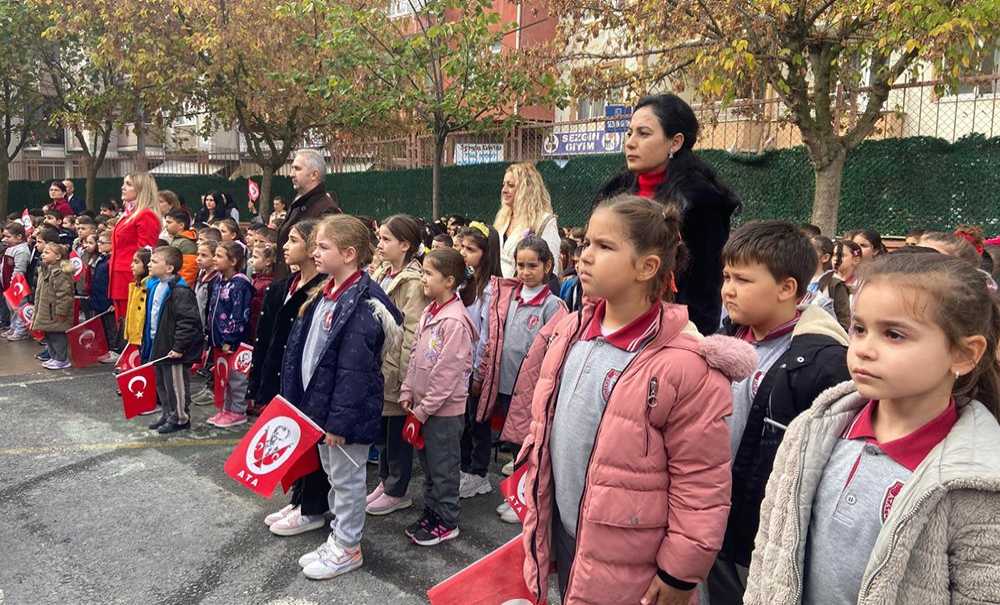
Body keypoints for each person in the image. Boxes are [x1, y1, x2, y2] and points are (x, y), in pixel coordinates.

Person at [520, 195, 755, 605]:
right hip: (568, 530)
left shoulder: (685, 366)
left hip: (633, 560)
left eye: (605, 246)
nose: (585, 256)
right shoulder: (570, 331)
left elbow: (701, 484)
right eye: (587, 243)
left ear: (648, 267)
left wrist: (680, 573)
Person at [743, 253, 1000, 605]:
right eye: (860, 329)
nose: (863, 349)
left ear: (964, 354)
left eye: (894, 334)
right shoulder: (810, 433)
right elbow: (770, 553)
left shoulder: (978, 481)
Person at [708, 221, 851, 603]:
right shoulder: (723, 339)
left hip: (759, 533)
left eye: (743, 279)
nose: (728, 290)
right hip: (709, 520)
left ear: (788, 288)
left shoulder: (823, 362)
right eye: (726, 276)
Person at [282, 214, 401, 580]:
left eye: (322, 247)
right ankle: (338, 538)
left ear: (349, 254)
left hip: (342, 419)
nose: (315, 253)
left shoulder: (362, 304)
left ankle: (348, 547)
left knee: (348, 483)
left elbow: (355, 374)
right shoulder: (331, 292)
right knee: (336, 478)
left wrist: (338, 423)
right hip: (323, 413)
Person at [596, 94, 741, 336]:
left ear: (675, 142)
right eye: (629, 133)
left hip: (668, 334)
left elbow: (703, 290)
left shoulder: (701, 202)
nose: (630, 143)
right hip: (609, 322)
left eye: (643, 133)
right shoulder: (613, 194)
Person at [472, 236, 567, 522]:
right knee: (511, 443)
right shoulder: (507, 298)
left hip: (530, 390)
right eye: (520, 265)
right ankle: (516, 495)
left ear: (547, 265)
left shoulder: (553, 306)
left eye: (532, 265)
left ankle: (526, 501)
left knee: (527, 447)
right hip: (503, 385)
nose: (525, 272)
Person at [255, 220, 331, 537]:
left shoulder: (323, 291)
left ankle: (313, 507)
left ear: (313, 248)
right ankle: (299, 498)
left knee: (310, 443)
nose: (285, 246)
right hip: (282, 376)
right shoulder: (283, 286)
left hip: (307, 380)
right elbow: (267, 337)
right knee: (292, 440)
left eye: (294, 240)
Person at [399, 248, 478, 546]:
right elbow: (416, 354)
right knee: (430, 466)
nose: (423, 278)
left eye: (429, 274)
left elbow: (446, 376)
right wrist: (408, 390)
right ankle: (431, 513)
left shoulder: (454, 322)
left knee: (444, 468)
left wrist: (423, 410)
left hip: (443, 412)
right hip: (424, 408)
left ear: (449, 281)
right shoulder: (431, 313)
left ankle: (447, 519)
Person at [367, 215, 430, 516]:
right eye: (379, 238)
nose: (379, 245)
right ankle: (384, 480)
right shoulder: (382, 273)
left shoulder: (413, 283)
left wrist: (404, 378)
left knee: (397, 434)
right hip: (379, 364)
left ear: (405, 245)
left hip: (395, 368)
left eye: (386, 239)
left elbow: (412, 333)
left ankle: (397, 488)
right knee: (384, 430)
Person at [455, 222, 502, 498]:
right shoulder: (466, 282)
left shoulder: (491, 289)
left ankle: (479, 472)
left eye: (470, 249)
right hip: (461, 365)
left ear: (486, 253)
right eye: (461, 247)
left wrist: (478, 372)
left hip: (478, 367)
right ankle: (465, 467)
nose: (463, 253)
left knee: (479, 420)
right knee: (464, 419)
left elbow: (487, 334)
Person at [142, 247, 204, 434]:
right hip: (158, 345)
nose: (149, 264)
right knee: (162, 383)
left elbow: (187, 322)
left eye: (154, 261)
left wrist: (179, 347)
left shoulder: (180, 291)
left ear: (169, 268)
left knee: (176, 385)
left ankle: (180, 417)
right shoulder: (155, 285)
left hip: (173, 349)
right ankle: (168, 412)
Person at [205, 242, 254, 428]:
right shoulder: (217, 280)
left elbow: (239, 313)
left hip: (233, 343)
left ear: (233, 261)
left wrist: (230, 339)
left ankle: (237, 411)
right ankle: (226, 409)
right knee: (223, 376)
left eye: (219, 256)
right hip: (218, 340)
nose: (214, 259)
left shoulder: (240, 284)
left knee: (236, 377)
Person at [274, 149, 342, 279]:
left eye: (297, 169)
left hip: (309, 287)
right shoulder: (298, 204)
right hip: (290, 283)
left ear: (314, 174)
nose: (291, 174)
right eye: (292, 168)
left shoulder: (326, 209)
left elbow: (327, 255)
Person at [493, 163, 561, 278]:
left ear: (526, 189)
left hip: (527, 292)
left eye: (511, 185)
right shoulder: (502, 219)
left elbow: (551, 269)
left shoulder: (544, 221)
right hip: (498, 291)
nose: (504, 190)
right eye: (503, 185)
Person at [109, 173, 162, 319]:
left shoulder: (145, 215)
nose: (123, 187)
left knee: (132, 329)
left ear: (141, 189)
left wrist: (139, 280)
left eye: (128, 184)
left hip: (131, 279)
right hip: (120, 278)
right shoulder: (130, 213)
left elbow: (145, 253)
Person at [31, 243, 76, 370]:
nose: (43, 255)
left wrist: (61, 311)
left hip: (55, 312)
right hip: (46, 310)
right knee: (49, 335)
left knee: (57, 335)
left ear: (58, 256)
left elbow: (64, 295)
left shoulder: (59, 273)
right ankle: (54, 356)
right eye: (43, 252)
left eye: (47, 252)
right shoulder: (46, 269)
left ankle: (62, 359)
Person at [805, 235, 851, 330]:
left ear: (825, 257)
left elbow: (844, 322)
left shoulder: (835, 285)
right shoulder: (799, 279)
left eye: (810, 251)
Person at [89, 231, 119, 359]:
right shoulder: (101, 258)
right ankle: (106, 348)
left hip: (108, 302)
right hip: (99, 298)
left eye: (102, 242)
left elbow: (114, 282)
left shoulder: (112, 261)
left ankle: (114, 350)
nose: (99, 245)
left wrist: (113, 302)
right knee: (103, 327)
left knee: (111, 327)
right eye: (98, 242)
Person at [0, 222, 30, 333]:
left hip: (17, 286)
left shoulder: (21, 250)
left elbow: (19, 270)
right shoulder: (10, 248)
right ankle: (13, 328)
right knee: (11, 308)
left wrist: (14, 285)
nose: (5, 239)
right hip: (8, 285)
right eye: (4, 236)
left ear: (19, 237)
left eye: (8, 237)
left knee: (18, 308)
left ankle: (20, 331)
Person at [124, 249, 152, 352]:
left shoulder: (149, 286)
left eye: (136, 262)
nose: (131, 265)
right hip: (138, 337)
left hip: (145, 337)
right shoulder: (137, 285)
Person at [247, 244, 274, 343]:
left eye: (255, 257)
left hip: (256, 331)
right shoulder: (257, 279)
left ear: (268, 262)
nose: (251, 260)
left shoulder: (266, 284)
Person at [164, 209, 199, 286]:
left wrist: (181, 288)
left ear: (181, 225)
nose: (166, 225)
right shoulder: (176, 240)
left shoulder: (186, 243)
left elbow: (188, 271)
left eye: (169, 222)